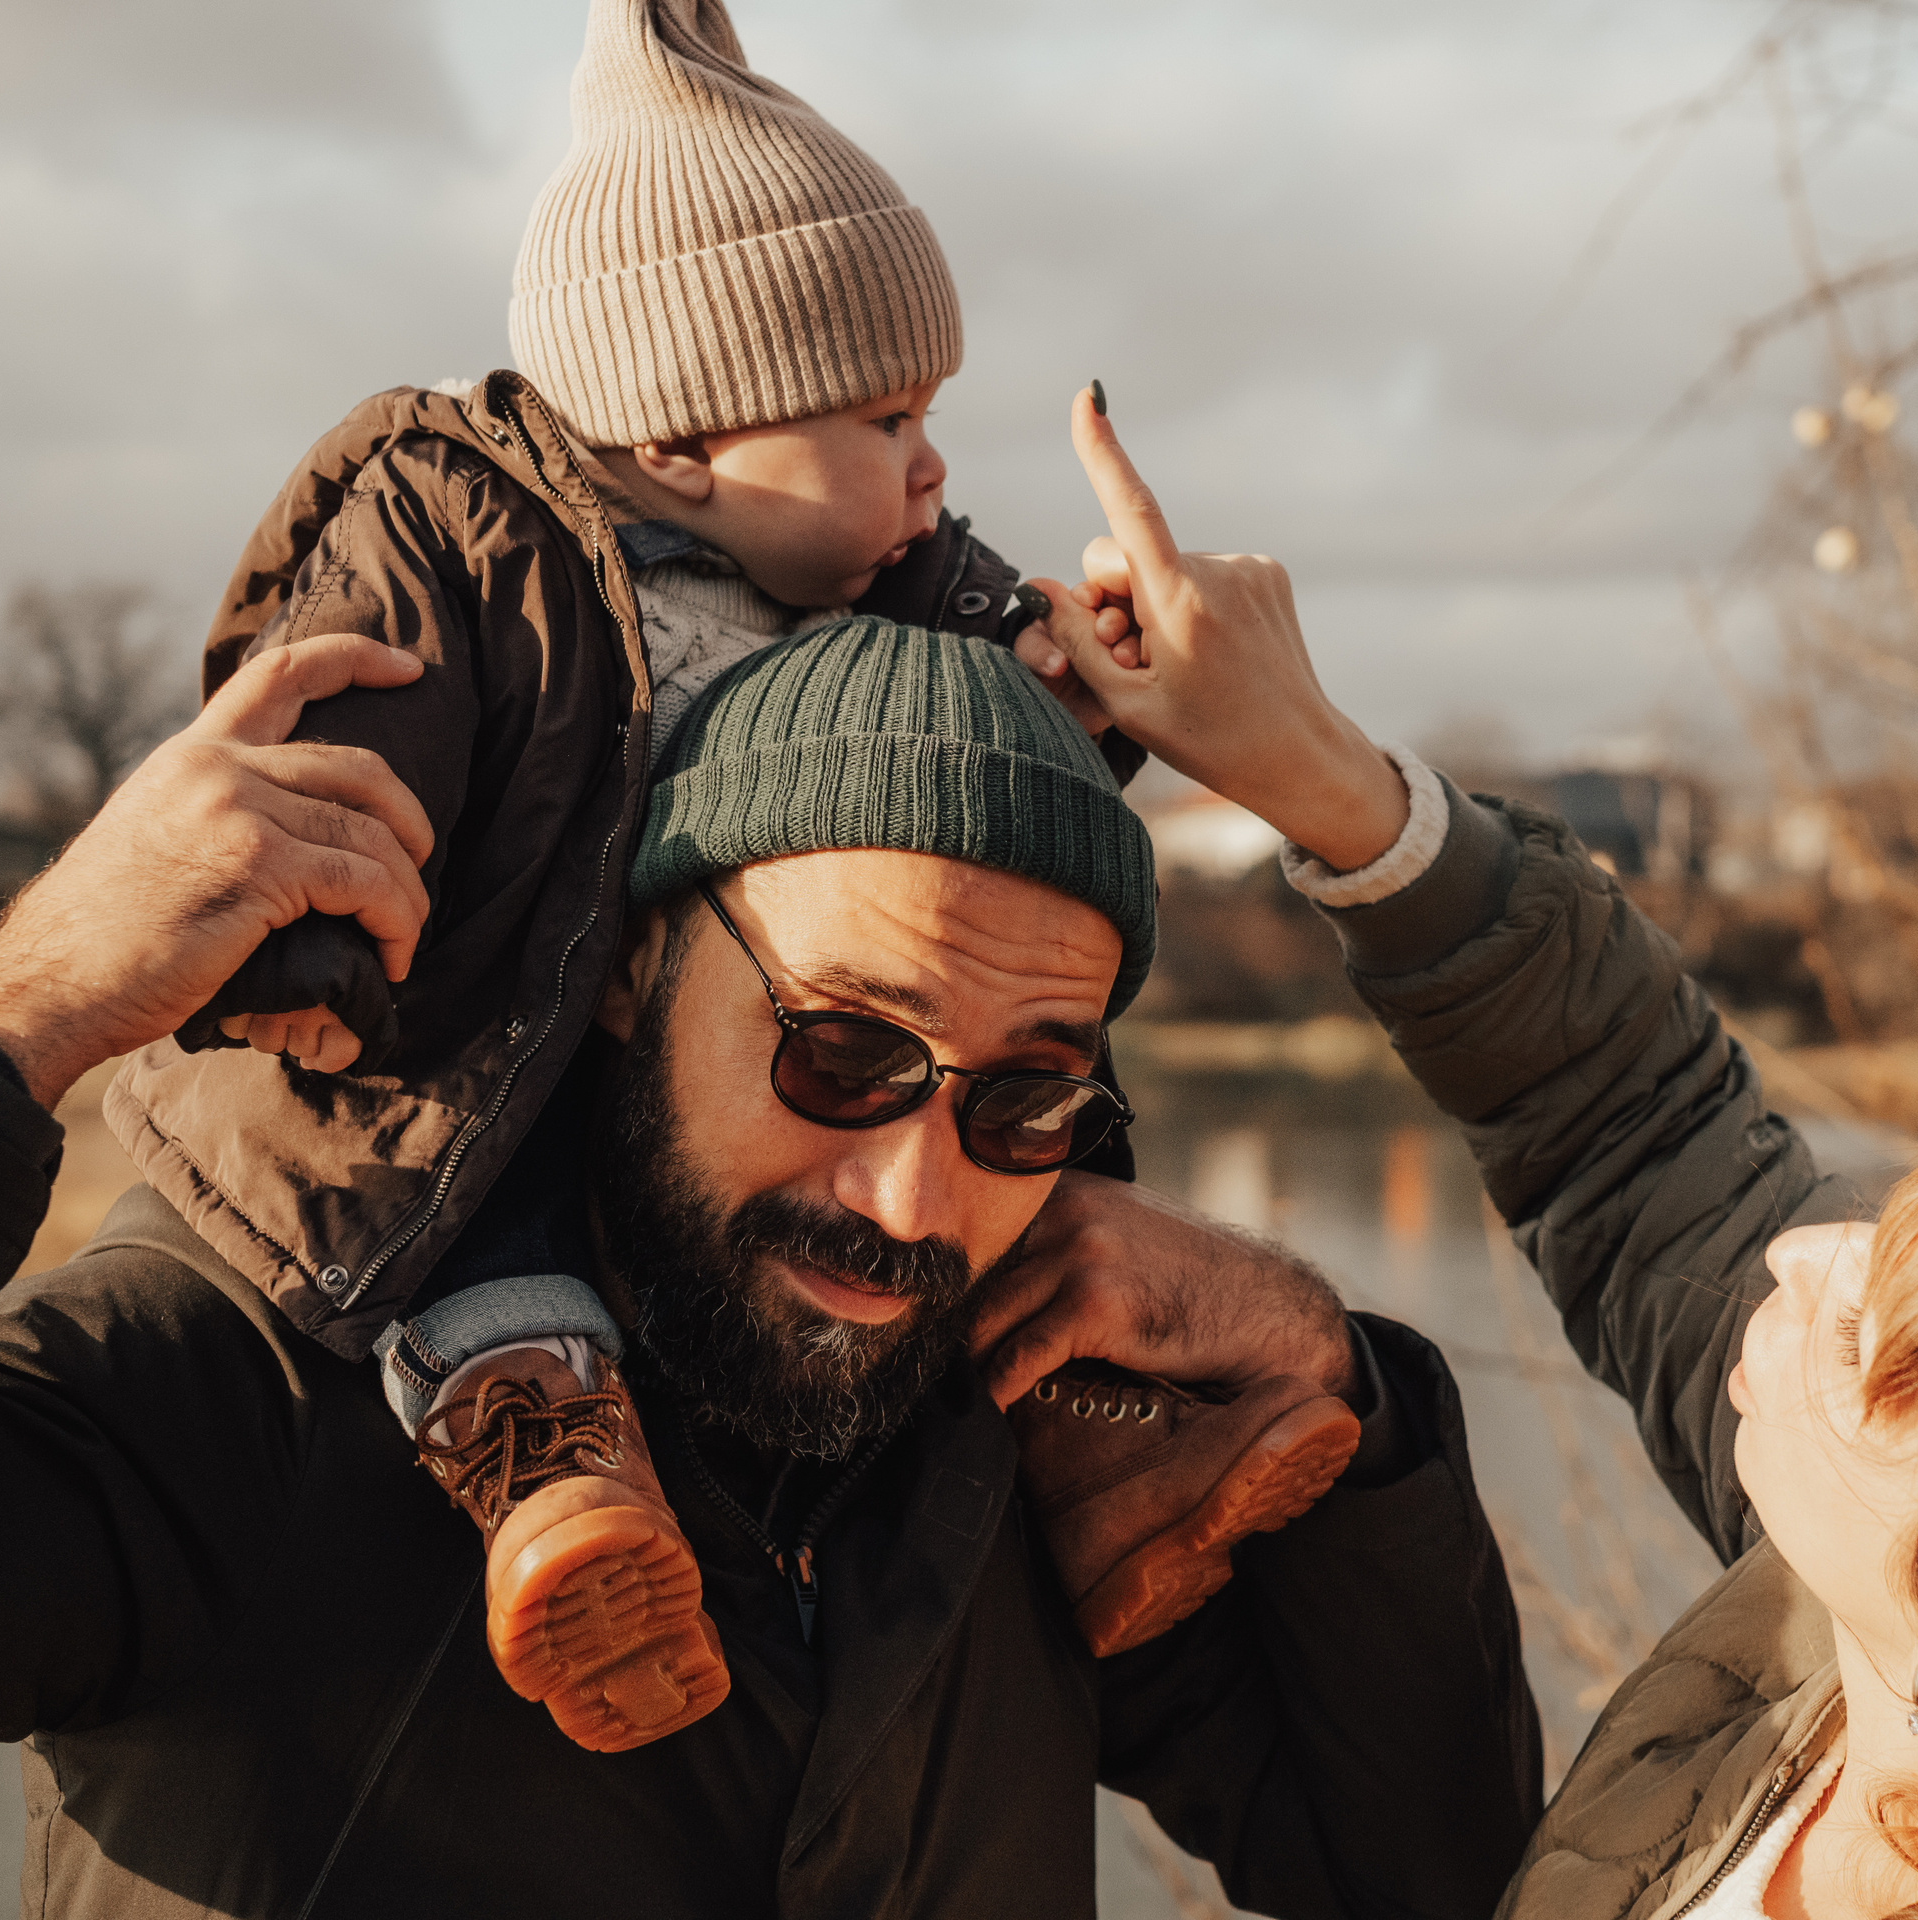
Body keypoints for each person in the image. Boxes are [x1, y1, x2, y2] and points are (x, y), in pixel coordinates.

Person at [1016, 399, 1918, 1920]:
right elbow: (1641, 1130)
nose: (1808, 1249)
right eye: (1885, 1247)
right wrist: (1317, 774)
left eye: (1870, 1336)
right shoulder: (1848, 1626)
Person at [111, 0, 1350, 1756]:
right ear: (690, 435)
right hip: (484, 1042)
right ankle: (553, 1476)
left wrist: (1080, 673)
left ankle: (1106, 1449)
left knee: (989, 1125)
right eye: (886, 415)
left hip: (768, 1066)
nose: (930, 465)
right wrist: (304, 945)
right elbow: (338, 717)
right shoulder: (462, 525)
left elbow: (965, 740)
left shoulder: (882, 574)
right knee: (496, 1225)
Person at [0, 617, 1542, 1918]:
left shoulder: (1008, 1432)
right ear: (629, 969)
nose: (911, 1199)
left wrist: (1331, 1371)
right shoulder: (226, 1371)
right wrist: (5, 1035)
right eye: (839, 1053)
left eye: (1028, 1097)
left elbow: (1436, 1878)